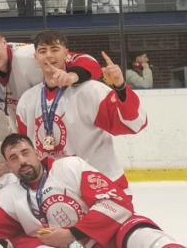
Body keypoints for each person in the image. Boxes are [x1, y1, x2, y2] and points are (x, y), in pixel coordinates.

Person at [0, 134, 183, 248]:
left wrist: (73, 233)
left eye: (25, 153)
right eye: (14, 158)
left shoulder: (69, 166)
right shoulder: (10, 195)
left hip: (108, 239)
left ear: (37, 153)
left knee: (144, 235)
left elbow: (115, 202)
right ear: (8, 165)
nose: (22, 161)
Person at [17, 32, 146, 187]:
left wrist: (120, 86)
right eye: (43, 51)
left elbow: (134, 124)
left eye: (55, 49)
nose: (49, 55)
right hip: (55, 187)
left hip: (100, 184)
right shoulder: (27, 100)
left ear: (67, 54)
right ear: (36, 58)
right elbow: (25, 148)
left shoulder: (91, 91)